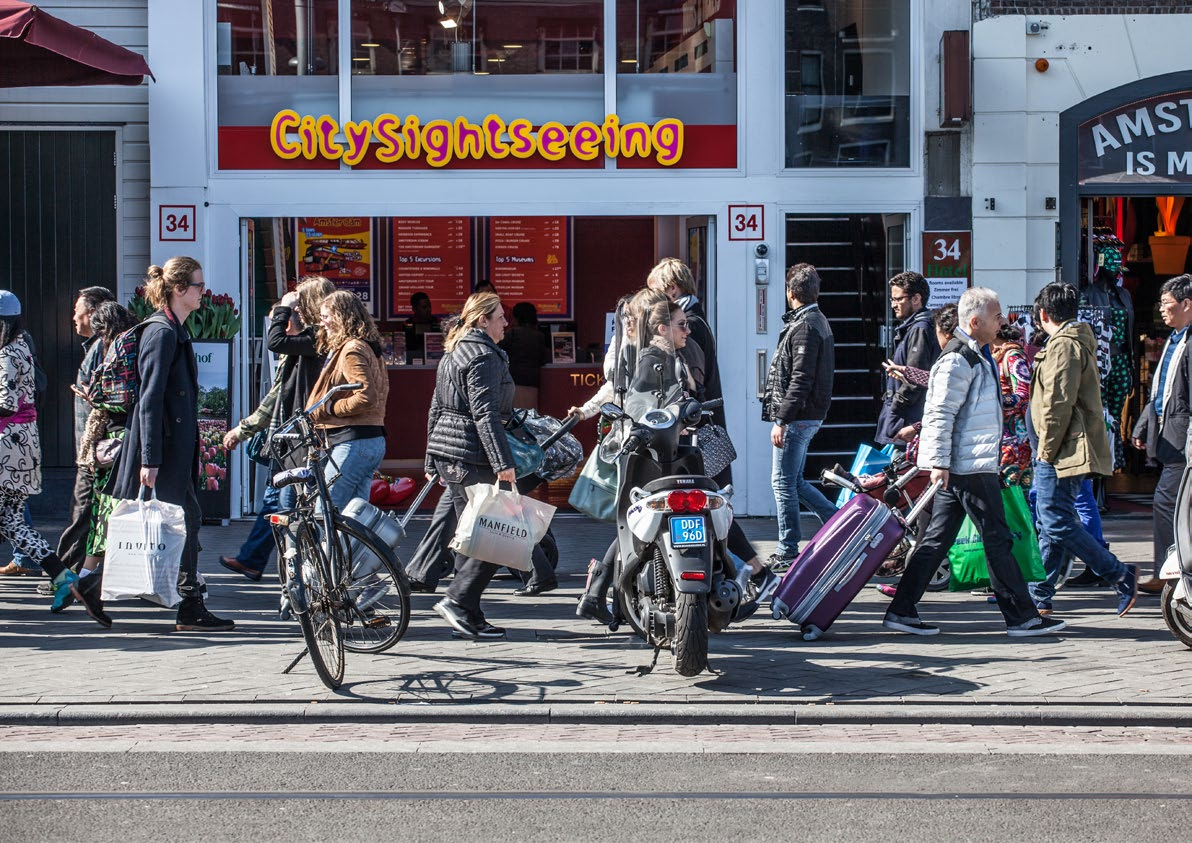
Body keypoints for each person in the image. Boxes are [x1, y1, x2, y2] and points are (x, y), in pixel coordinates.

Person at [883, 287, 1065, 637]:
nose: (1003, 321)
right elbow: (939, 413)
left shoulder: (973, 355)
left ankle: (902, 609)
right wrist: (938, 463)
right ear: (975, 321)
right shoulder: (959, 359)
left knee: (938, 541)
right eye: (997, 316)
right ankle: (1022, 617)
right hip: (969, 464)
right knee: (996, 538)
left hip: (967, 463)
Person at [108, 258, 234, 631]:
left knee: (187, 521)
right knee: (183, 521)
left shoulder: (172, 328)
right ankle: (187, 605)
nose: (203, 292)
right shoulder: (162, 332)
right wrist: (150, 459)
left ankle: (189, 602)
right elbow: (149, 398)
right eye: (198, 285)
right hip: (162, 449)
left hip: (172, 448)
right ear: (179, 289)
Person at [1027, 282, 1138, 617]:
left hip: (1060, 450)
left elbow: (1057, 403)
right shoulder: (1073, 342)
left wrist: (1045, 450)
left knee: (1055, 521)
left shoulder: (1063, 345)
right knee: (1052, 522)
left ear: (1044, 314)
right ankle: (1039, 596)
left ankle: (1118, 573)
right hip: (1062, 448)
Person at [0, 290, 110, 625]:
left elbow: (6, 401)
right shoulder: (23, 347)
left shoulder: (6, 353)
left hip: (7, 449)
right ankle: (65, 578)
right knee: (12, 523)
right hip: (23, 447)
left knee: (11, 521)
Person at [220, 276, 333, 581]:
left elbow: (273, 343)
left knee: (285, 503)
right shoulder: (306, 345)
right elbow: (277, 395)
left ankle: (284, 569)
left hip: (302, 439)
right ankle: (266, 563)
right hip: (292, 438)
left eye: (296, 310)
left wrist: (284, 309)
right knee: (280, 501)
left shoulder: (315, 341)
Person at [427, 292, 518, 640]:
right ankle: (457, 599)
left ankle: (470, 615)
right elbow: (485, 413)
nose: (505, 323)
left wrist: (429, 457)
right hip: (471, 454)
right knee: (496, 534)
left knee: (473, 536)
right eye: (499, 316)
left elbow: (435, 407)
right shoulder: (483, 356)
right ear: (483, 320)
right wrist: (502, 462)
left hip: (450, 453)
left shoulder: (455, 351)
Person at [761, 264, 838, 568]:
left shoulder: (806, 325)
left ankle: (787, 547)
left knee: (782, 482)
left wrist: (782, 419)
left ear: (790, 293)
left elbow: (801, 378)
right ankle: (837, 522)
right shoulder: (813, 321)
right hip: (806, 414)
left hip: (799, 416)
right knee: (794, 481)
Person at [1131, 274, 1192, 594]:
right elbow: (1161, 390)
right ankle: (1170, 569)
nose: (1162, 310)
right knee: (1173, 504)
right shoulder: (1175, 338)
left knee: (1167, 503)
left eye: (1168, 304)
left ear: (1187, 305)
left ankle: (1170, 571)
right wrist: (1144, 424)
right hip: (1170, 436)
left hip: (1183, 441)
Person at [307, 291, 389, 512]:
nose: (322, 323)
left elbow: (366, 395)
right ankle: (352, 548)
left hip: (354, 441)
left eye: (326, 316)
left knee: (324, 511)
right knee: (351, 516)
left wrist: (331, 408)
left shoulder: (352, 349)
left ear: (342, 316)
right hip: (368, 439)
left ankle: (329, 548)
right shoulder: (367, 346)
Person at [74, 301, 136, 578]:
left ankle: (87, 576)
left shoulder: (118, 353)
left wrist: (91, 395)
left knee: (104, 509)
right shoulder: (137, 344)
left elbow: (117, 398)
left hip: (115, 440)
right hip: (131, 438)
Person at [876, 271, 939, 448]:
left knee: (900, 470)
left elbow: (915, 377)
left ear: (916, 298)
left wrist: (895, 406)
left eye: (898, 299)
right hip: (907, 416)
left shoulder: (920, 328)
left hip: (908, 418)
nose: (894, 305)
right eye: (892, 300)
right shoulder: (916, 327)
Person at [991, 323, 1033, 489]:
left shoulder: (1013, 356)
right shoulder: (996, 355)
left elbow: (1024, 395)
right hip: (1002, 435)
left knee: (1013, 491)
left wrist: (992, 400)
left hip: (1015, 438)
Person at [500, 302, 550, 410]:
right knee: (529, 418)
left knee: (515, 418)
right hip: (532, 382)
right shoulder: (539, 336)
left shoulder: (511, 334)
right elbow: (543, 359)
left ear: (517, 317)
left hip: (513, 381)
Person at [403, 291, 436, 362]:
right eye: (424, 307)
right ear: (414, 309)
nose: (428, 310)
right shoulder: (406, 326)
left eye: (429, 306)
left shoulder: (437, 323)